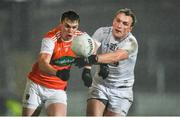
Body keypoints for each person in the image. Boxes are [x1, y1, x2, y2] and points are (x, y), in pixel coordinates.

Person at [76, 8, 138, 116]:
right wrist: (87, 70)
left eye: (125, 23)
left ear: (130, 28)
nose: (119, 25)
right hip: (100, 85)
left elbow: (116, 56)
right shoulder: (102, 32)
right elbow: (91, 50)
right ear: (113, 21)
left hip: (122, 91)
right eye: (118, 21)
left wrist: (96, 60)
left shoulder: (132, 43)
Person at [22, 10, 82, 116]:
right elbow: (42, 64)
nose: (70, 31)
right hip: (37, 86)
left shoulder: (81, 39)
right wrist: (58, 73)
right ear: (61, 24)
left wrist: (87, 69)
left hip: (57, 89)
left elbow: (93, 51)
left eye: (74, 27)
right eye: (67, 26)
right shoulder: (50, 38)